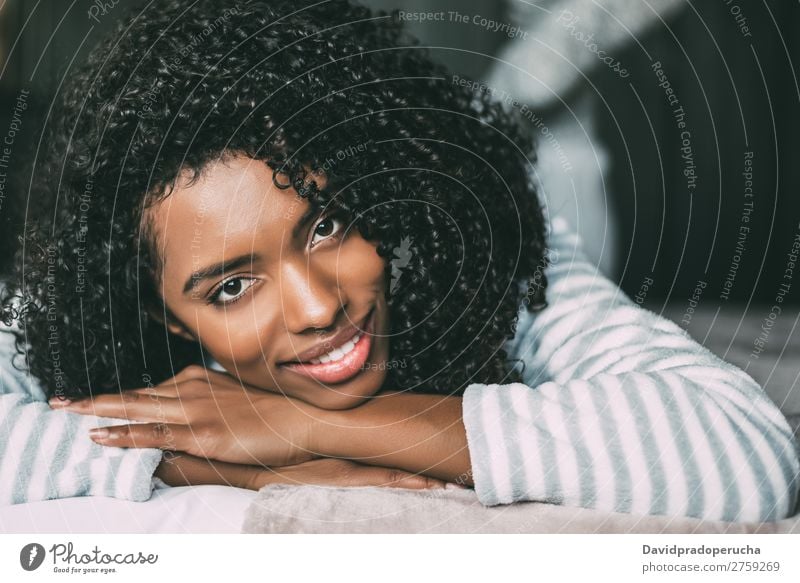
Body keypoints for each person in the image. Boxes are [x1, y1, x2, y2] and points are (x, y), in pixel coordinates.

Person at [1, 0, 797, 522]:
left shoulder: (494, 252)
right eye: (233, 285)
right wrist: (199, 463)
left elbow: (743, 448)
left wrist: (297, 423)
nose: (317, 308)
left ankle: (560, 56)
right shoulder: (92, 315)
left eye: (327, 225)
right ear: (161, 309)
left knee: (546, 148)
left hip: (538, 195)